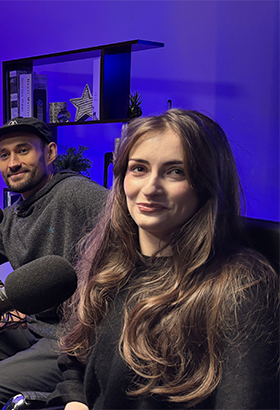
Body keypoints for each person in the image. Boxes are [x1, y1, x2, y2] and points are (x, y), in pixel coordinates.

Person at [49, 109, 280, 409]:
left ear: (207, 184)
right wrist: (75, 402)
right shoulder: (110, 262)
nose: (150, 188)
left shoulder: (241, 287)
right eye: (139, 169)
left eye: (176, 172)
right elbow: (75, 361)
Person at [0, 117, 108, 409]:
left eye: (23, 151)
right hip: (31, 327)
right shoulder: (14, 215)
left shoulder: (75, 194)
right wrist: (3, 297)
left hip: (69, 340)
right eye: (4, 155)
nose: (12, 163)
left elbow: (132, 232)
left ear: (50, 153)